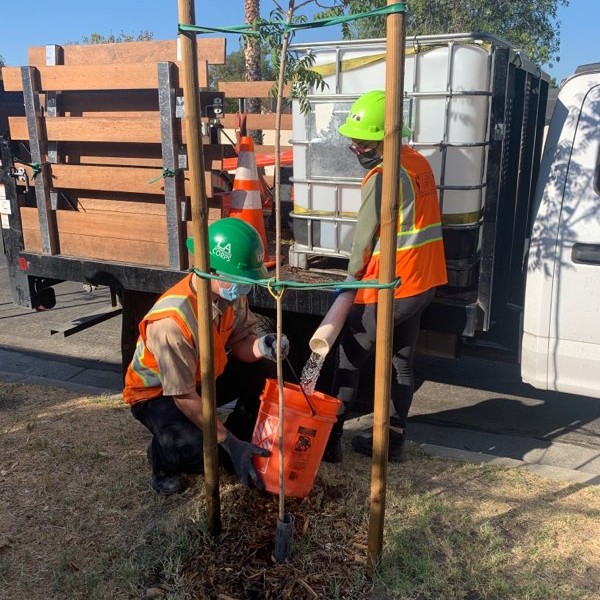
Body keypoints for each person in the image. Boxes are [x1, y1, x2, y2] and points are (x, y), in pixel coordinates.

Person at [323, 90, 447, 463]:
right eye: (354, 143)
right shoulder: (417, 163)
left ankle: (329, 444)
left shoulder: (383, 176)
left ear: (383, 139)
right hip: (423, 281)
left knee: (347, 359)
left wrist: (349, 284)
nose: (356, 149)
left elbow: (363, 240)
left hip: (392, 285)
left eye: (362, 143)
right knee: (401, 361)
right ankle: (392, 441)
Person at [123, 218, 289, 494]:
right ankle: (162, 458)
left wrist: (262, 346)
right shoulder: (172, 322)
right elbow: (183, 395)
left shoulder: (231, 294)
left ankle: (232, 441)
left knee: (263, 373)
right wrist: (227, 441)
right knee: (196, 452)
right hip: (157, 394)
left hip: (203, 379)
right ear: (211, 269)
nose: (246, 286)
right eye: (241, 278)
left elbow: (240, 343)